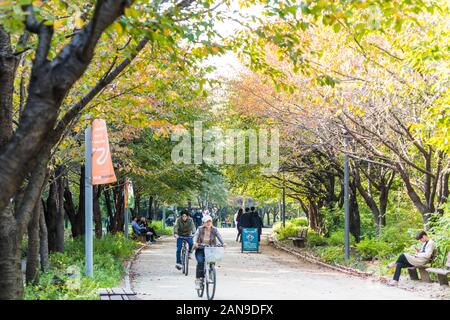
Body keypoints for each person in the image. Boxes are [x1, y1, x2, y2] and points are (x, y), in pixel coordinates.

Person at [193, 215, 224, 290]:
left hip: (211, 249)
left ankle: (210, 274)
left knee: (212, 261)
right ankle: (198, 280)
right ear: (203, 223)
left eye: (210, 221)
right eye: (207, 221)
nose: (208, 223)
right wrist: (195, 243)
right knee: (200, 262)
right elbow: (195, 236)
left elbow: (219, 237)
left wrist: (223, 243)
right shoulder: (200, 229)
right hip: (200, 249)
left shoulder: (214, 229)